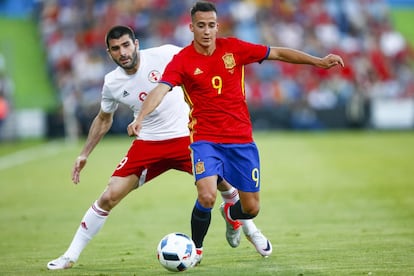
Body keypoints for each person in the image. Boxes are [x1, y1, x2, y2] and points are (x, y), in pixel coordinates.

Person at [129, 0, 345, 266]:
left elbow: (276, 53)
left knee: (251, 208)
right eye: (201, 26)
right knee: (206, 194)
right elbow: (160, 89)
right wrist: (140, 117)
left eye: (211, 25)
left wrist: (318, 62)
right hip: (205, 139)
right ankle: (195, 249)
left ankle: (233, 215)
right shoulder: (182, 60)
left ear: (217, 26)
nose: (206, 31)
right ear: (191, 28)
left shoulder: (234, 48)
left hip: (240, 139)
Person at [47, 25, 270, 270]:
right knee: (109, 196)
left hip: (188, 137)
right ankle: (70, 256)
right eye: (115, 49)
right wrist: (84, 153)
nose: (122, 52)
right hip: (149, 144)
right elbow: (103, 119)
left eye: (126, 45)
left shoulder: (167, 54)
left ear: (136, 44)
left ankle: (248, 228)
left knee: (224, 184)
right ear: (109, 53)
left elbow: (201, 63)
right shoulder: (111, 83)